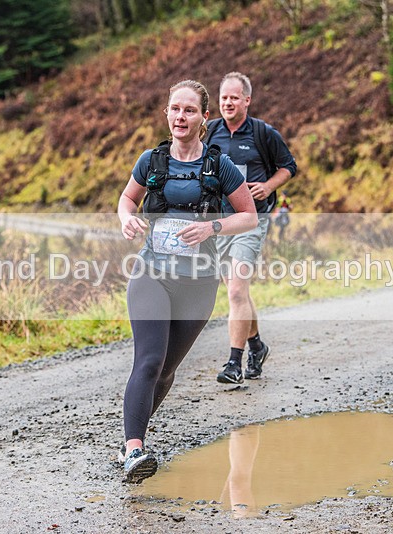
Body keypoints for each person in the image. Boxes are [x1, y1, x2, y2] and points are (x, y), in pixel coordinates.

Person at [117, 79, 257, 483]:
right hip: (152, 274)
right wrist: (127, 219)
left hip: (199, 283)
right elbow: (127, 199)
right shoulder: (151, 161)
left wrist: (213, 227)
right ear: (167, 114)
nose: (181, 116)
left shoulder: (219, 166)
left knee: (165, 370)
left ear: (204, 117)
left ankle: (131, 440)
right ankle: (134, 448)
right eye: (175, 109)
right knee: (148, 360)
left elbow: (249, 216)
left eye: (189, 110)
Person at [204, 72, 297, 384]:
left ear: (247, 100)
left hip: (252, 220)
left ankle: (234, 363)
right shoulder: (210, 132)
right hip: (220, 222)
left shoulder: (262, 133)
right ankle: (257, 346)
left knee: (235, 290)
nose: (228, 103)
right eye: (224, 98)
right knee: (238, 291)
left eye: (234, 97)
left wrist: (268, 186)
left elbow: (289, 166)